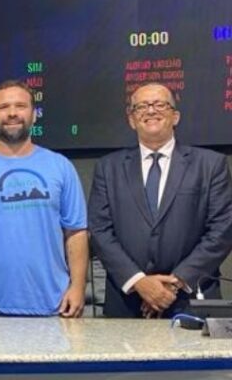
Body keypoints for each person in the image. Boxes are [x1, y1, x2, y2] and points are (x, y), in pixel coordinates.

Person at [88, 82, 232, 318]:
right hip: (128, 303)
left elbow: (222, 231)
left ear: (175, 117)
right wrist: (139, 282)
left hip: (190, 300)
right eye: (141, 106)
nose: (151, 110)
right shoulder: (108, 168)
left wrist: (174, 283)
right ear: (132, 119)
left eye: (159, 104)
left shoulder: (210, 165)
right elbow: (100, 230)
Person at [0, 80, 87, 316]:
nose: (12, 113)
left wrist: (77, 287)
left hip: (55, 306)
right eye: (3, 107)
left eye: (20, 106)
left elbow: (76, 232)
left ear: (34, 115)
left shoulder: (60, 166)